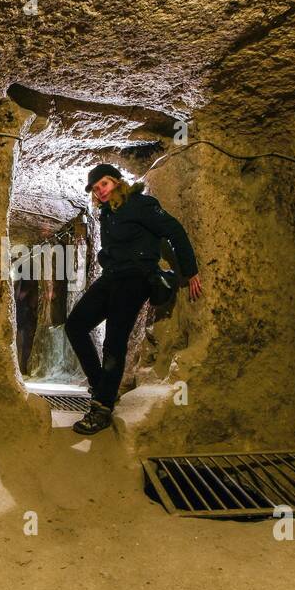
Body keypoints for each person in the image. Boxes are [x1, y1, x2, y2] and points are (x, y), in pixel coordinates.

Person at [65, 163, 202, 435]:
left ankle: (102, 408)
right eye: (96, 189)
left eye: (104, 184)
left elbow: (174, 230)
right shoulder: (107, 214)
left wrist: (190, 270)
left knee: (114, 341)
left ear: (117, 181)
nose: (100, 191)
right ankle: (101, 386)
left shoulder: (140, 204)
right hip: (111, 277)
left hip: (135, 279)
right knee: (75, 325)